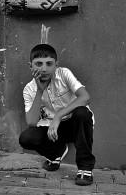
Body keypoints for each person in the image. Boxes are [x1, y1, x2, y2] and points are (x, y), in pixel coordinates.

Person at [19, 44, 96, 186]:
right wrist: (40, 91)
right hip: (53, 131)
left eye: (49, 64)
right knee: (26, 138)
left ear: (56, 65)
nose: (44, 68)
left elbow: (85, 97)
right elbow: (31, 122)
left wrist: (58, 116)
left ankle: (85, 168)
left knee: (82, 113)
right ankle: (56, 153)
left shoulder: (64, 74)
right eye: (38, 64)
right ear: (30, 66)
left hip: (76, 125)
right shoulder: (29, 89)